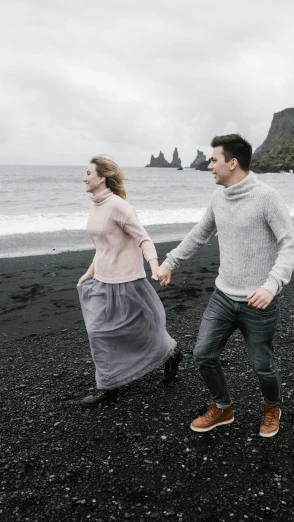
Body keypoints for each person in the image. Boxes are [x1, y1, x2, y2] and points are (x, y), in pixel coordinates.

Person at [157, 134, 294, 437]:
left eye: (214, 160)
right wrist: (170, 262)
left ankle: (272, 407)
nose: (209, 166)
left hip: (259, 301)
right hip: (223, 296)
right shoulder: (218, 198)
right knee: (203, 354)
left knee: (262, 364)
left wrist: (271, 286)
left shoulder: (267, 197)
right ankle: (223, 408)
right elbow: (200, 233)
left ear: (232, 163)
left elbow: (290, 245)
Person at [77, 156, 183, 406]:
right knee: (98, 332)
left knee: (137, 330)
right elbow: (103, 246)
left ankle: (171, 353)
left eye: (88, 173)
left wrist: (155, 268)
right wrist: (89, 271)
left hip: (126, 282)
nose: (84, 177)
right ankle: (108, 386)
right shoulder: (95, 205)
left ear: (101, 178)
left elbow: (144, 240)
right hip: (102, 280)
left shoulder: (119, 207)